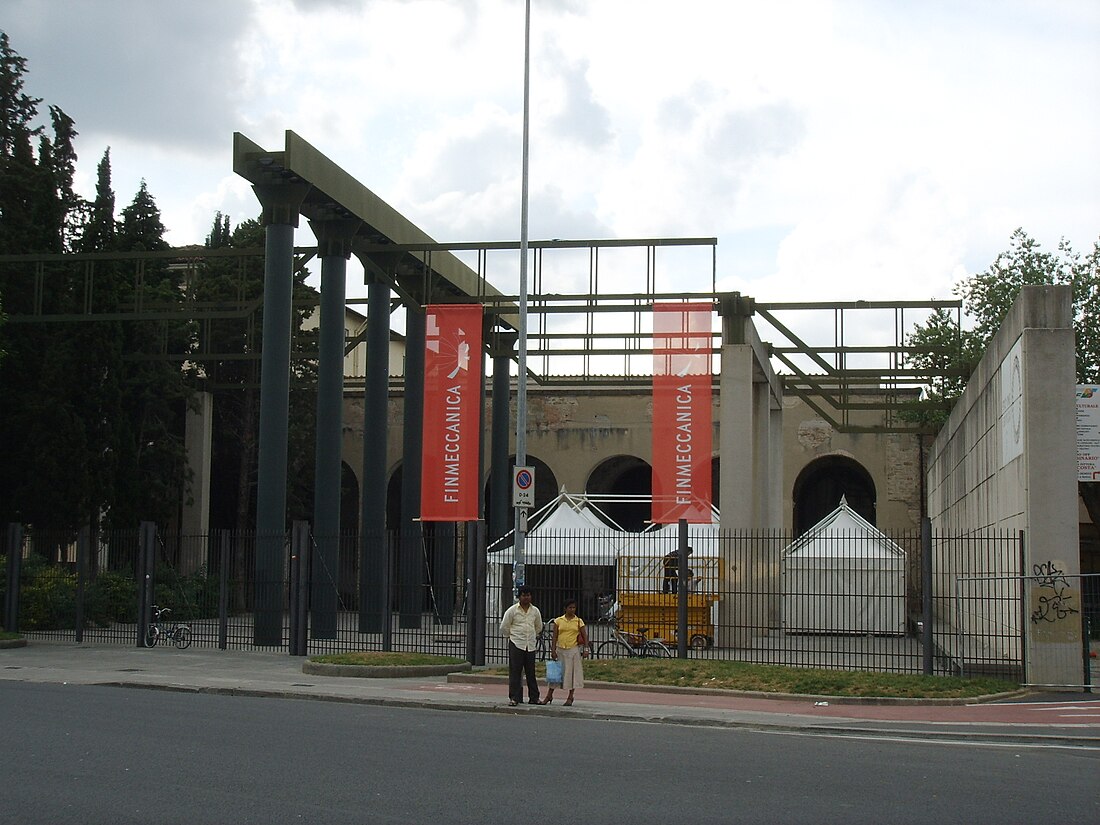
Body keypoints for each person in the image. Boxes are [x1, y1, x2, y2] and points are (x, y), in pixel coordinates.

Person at [499, 585, 543, 706]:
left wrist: (533, 635)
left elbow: (538, 627)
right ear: (519, 597)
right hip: (516, 643)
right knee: (515, 672)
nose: (526, 598)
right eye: (524, 595)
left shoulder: (535, 611)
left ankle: (534, 697)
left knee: (531, 672)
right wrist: (511, 637)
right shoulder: (512, 610)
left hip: (530, 645)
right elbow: (504, 627)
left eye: (528, 595)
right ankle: (515, 697)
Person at [541, 598, 588, 706]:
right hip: (560, 649)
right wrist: (553, 650)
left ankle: (570, 697)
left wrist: (586, 649)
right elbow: (555, 637)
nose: (572, 610)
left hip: (573, 650)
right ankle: (549, 695)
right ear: (565, 608)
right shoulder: (558, 621)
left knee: (572, 674)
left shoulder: (578, 621)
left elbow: (585, 636)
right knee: (555, 674)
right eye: (570, 607)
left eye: (574, 607)